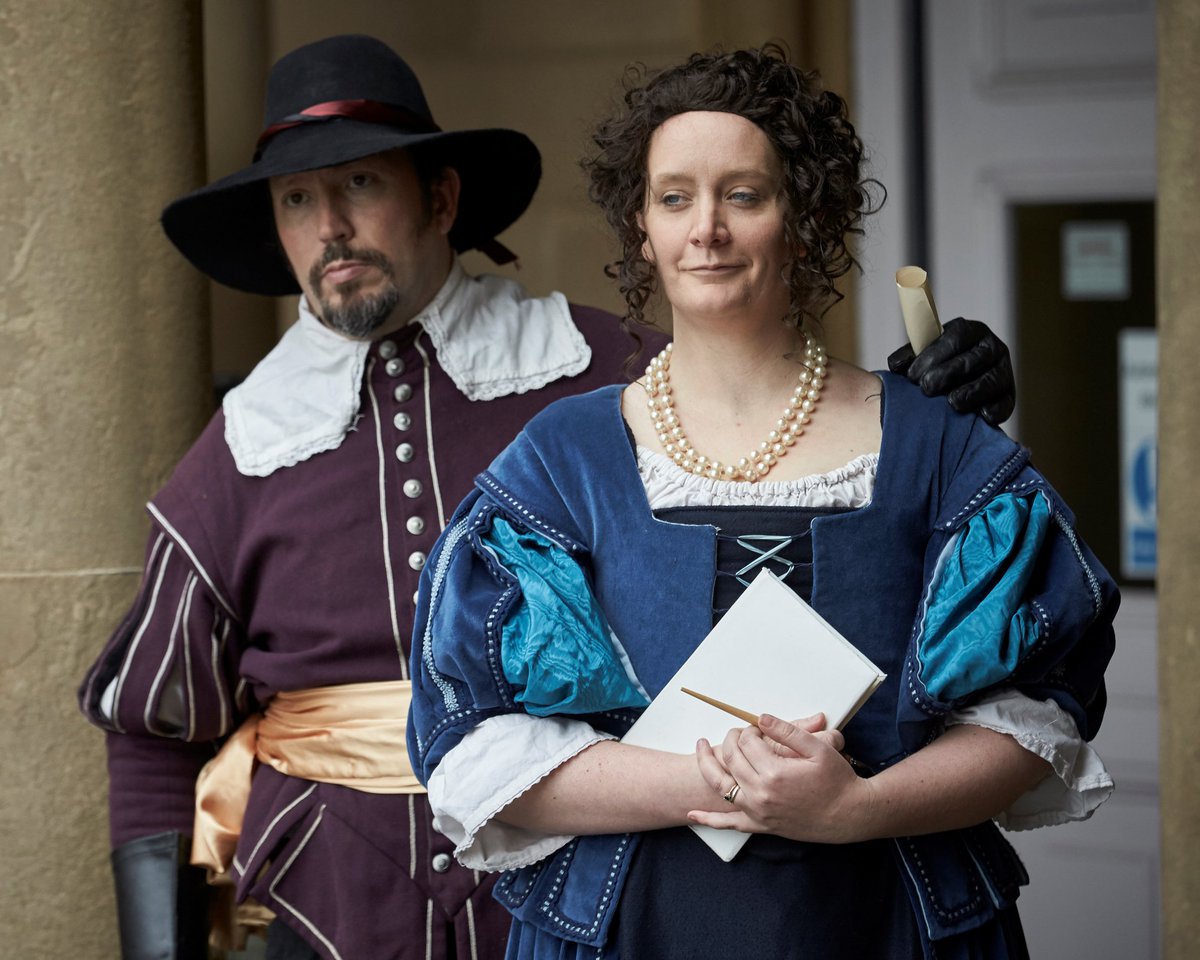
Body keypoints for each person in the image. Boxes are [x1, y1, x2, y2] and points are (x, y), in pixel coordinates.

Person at [79, 35, 1017, 960]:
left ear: (441, 198)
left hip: (600, 892)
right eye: (297, 200)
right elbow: (152, 730)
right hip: (332, 912)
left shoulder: (605, 369)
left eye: (360, 185)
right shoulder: (238, 449)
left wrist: (932, 414)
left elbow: (787, 417)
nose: (330, 228)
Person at [408, 45, 1118, 960]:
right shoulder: (559, 462)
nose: (705, 228)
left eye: (744, 194)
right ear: (642, 226)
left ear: (805, 221)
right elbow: (473, 743)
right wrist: (731, 787)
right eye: (674, 198)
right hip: (627, 932)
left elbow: (1037, 713)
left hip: (894, 928)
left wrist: (856, 808)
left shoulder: (936, 447)